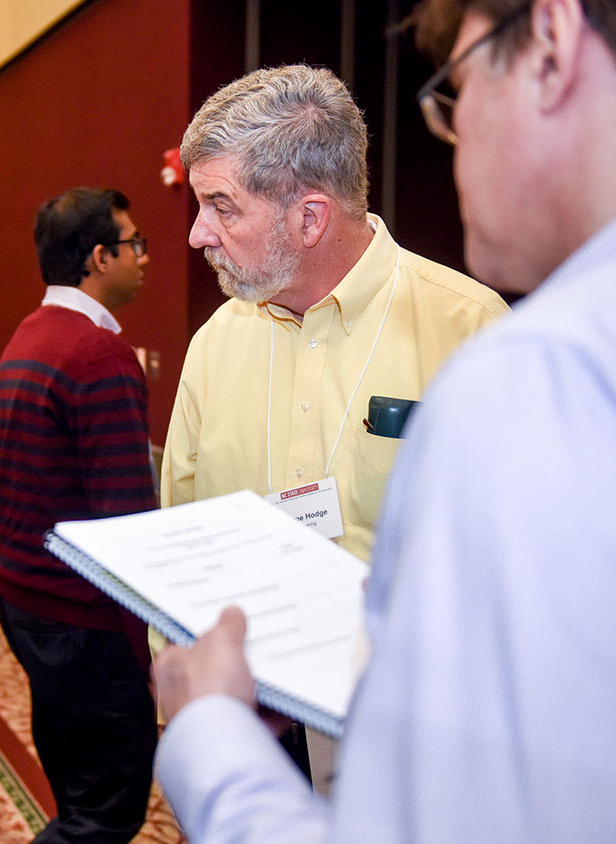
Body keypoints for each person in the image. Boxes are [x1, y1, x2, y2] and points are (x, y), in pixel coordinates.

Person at [152, 1, 616, 841]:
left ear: (551, 48)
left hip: (385, 730)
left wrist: (205, 738)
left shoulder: (506, 353)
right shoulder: (217, 342)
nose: (197, 236)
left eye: (455, 95)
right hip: (262, 712)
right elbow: (182, 521)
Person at [157, 64, 509, 779]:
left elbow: (513, 573)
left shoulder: (470, 330)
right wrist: (194, 717)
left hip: (411, 740)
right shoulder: (215, 343)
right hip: (253, 727)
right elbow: (179, 536)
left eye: (222, 207)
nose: (198, 235)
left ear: (310, 217)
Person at [0, 187, 158, 843]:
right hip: (84, 625)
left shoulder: (31, 335)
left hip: (29, 607)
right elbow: (126, 522)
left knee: (76, 796)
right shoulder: (97, 354)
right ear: (97, 257)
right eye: (134, 244)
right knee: (105, 817)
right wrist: (147, 654)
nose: (144, 258)